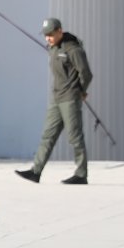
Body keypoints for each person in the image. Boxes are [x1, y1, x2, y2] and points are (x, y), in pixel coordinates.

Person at [16, 17, 92, 186]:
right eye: (45, 35)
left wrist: (81, 91)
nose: (47, 38)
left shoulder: (73, 49)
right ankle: (36, 171)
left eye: (50, 34)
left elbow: (86, 73)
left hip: (70, 98)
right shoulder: (53, 48)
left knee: (75, 137)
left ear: (59, 31)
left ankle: (81, 174)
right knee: (47, 135)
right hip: (56, 98)